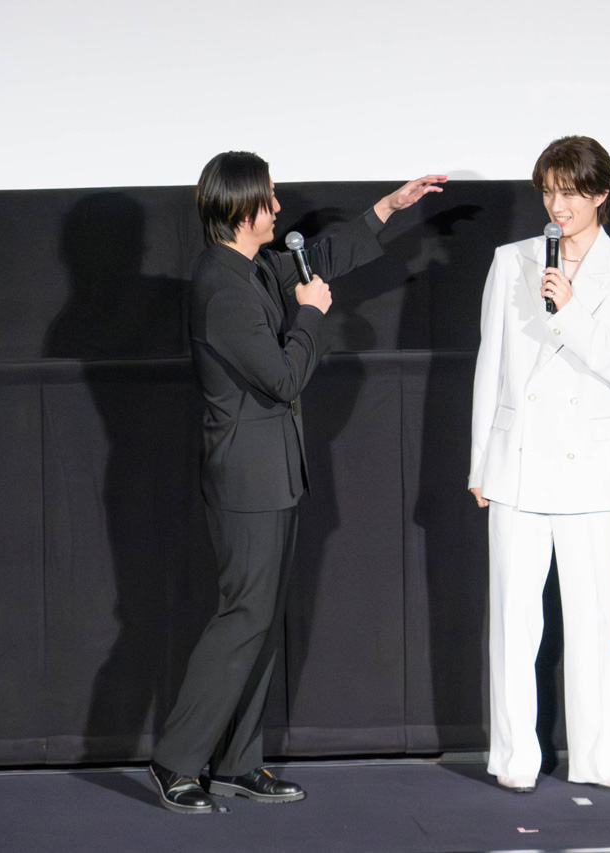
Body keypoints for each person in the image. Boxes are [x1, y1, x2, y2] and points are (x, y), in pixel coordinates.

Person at [149, 151, 445, 814]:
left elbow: (320, 257)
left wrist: (388, 208)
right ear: (240, 209)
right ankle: (174, 760)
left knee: (260, 620)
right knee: (241, 619)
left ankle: (236, 762)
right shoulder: (222, 288)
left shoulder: (249, 267)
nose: (279, 208)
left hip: (274, 474)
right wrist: (311, 315)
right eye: (270, 198)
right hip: (246, 479)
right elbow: (283, 377)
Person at [468, 136, 610, 794]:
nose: (558, 204)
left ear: (601, 194)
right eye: (549, 191)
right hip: (518, 462)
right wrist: (480, 460)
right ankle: (513, 757)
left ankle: (601, 758)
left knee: (593, 619)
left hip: (591, 468)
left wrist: (571, 309)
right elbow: (491, 362)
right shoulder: (511, 260)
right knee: (513, 620)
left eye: (571, 192)